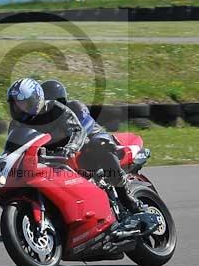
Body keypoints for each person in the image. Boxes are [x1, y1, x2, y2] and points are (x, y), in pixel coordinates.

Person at [36, 79, 142, 213]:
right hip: (68, 156)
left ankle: (124, 193)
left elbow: (83, 128)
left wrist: (70, 144)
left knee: (99, 145)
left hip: (92, 141)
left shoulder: (75, 107)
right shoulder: (44, 123)